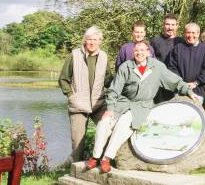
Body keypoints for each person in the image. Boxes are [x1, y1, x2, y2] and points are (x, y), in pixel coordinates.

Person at [85, 40, 199, 173]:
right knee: (104, 122)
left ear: (148, 52)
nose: (139, 53)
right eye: (136, 51)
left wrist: (189, 91)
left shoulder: (157, 67)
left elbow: (174, 81)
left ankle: (106, 158)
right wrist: (110, 109)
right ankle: (95, 156)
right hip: (123, 102)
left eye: (142, 50)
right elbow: (114, 89)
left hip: (142, 105)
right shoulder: (126, 66)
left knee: (124, 124)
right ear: (133, 52)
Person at [58, 26, 113, 162]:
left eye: (95, 39)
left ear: (100, 41)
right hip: (78, 105)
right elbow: (63, 79)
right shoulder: (74, 55)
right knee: (78, 142)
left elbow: (108, 80)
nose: (92, 43)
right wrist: (71, 95)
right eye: (89, 39)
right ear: (84, 40)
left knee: (108, 129)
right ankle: (76, 170)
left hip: (98, 104)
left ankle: (102, 163)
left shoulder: (104, 56)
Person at [168, 23, 205, 104]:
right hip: (179, 91)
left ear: (198, 34)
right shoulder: (178, 48)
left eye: (193, 33)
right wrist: (181, 84)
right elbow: (172, 68)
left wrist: (196, 83)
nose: (191, 35)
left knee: (194, 116)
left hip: (197, 92)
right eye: (188, 32)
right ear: (184, 34)